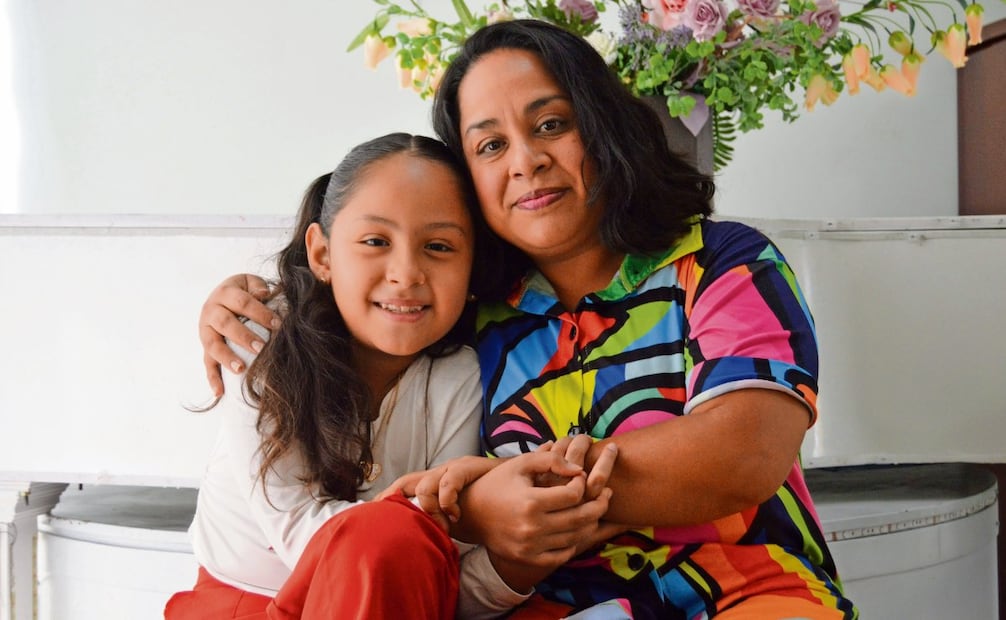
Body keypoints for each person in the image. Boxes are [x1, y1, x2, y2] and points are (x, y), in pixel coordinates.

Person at [197, 20, 858, 619]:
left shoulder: (720, 262)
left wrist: (489, 495)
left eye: (551, 125)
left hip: (743, 591)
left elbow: (743, 453)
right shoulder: (467, 309)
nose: (525, 161)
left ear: (602, 127)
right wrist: (250, 301)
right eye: (489, 146)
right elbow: (356, 298)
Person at [167, 132, 617, 620]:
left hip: (394, 603)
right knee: (387, 536)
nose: (406, 272)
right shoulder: (263, 335)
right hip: (247, 605)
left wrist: (514, 561)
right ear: (322, 254)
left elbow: (441, 585)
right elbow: (306, 535)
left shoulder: (461, 374)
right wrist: (475, 514)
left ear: (472, 271)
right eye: (376, 241)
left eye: (439, 246)